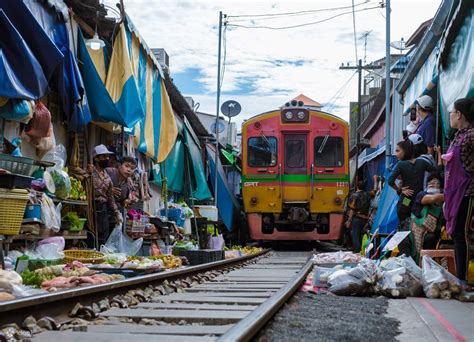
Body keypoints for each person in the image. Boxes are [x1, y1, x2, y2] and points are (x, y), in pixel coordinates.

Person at [442, 98, 474, 287]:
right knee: (457, 234)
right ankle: (461, 276)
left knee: (462, 234)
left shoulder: (471, 136)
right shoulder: (459, 136)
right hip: (456, 193)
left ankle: (464, 279)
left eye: (452, 113)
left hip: (467, 192)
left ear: (459, 115)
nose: (451, 116)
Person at [388, 139, 437, 256]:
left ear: (406, 151)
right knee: (418, 230)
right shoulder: (421, 163)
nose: (396, 153)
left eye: (398, 151)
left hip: (406, 199)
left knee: (404, 229)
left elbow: (390, 181)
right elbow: (435, 172)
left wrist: (400, 190)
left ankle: (406, 255)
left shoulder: (401, 165)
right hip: (419, 201)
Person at [87, 145, 122, 245]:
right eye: (103, 157)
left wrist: (116, 213)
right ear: (96, 158)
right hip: (91, 208)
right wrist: (87, 173)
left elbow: (110, 198)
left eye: (107, 157)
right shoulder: (91, 172)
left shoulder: (107, 178)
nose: (107, 159)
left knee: (103, 237)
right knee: (91, 236)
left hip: (103, 210)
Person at [410, 173, 444, 261]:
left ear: (440, 187)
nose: (431, 183)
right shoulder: (421, 194)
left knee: (431, 238)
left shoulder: (443, 204)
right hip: (414, 229)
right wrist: (450, 195)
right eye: (429, 182)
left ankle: (426, 267)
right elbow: (432, 199)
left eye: (435, 182)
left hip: (430, 233)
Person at [346, 181, 372, 253]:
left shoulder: (354, 196)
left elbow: (352, 209)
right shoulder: (368, 195)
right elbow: (374, 192)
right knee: (363, 235)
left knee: (355, 235)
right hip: (365, 218)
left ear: (357, 186)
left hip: (357, 218)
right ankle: (364, 250)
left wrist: (349, 221)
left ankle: (357, 251)